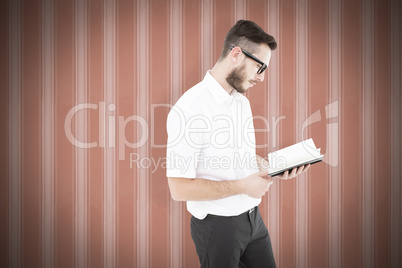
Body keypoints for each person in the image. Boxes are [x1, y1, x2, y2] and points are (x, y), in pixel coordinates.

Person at [166, 20, 310, 268]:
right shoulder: (189, 109)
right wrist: (244, 185)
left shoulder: (240, 101)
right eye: (259, 67)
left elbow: (240, 157)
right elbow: (178, 188)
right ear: (236, 54)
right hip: (218, 227)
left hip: (253, 220)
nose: (261, 78)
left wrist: (271, 167)